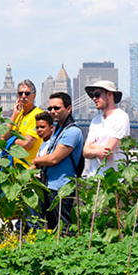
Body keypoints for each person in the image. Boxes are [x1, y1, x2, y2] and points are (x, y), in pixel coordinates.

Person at [33, 92, 84, 229]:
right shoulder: (58, 130)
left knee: (64, 228)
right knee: (51, 228)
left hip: (63, 189)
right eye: (50, 109)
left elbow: (54, 158)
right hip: (50, 186)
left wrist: (36, 161)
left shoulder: (72, 131)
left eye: (57, 108)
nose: (52, 112)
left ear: (68, 109)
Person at [83, 81, 130, 178]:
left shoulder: (121, 117)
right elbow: (85, 152)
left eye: (97, 95)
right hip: (93, 178)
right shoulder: (95, 120)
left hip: (113, 181)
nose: (94, 99)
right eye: (92, 96)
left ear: (109, 94)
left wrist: (93, 147)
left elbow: (106, 154)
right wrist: (97, 151)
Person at [1, 80, 44, 168]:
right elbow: (3, 138)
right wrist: (13, 116)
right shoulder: (18, 114)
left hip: (28, 170)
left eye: (27, 93)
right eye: (20, 93)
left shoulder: (38, 115)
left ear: (34, 95)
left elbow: (26, 144)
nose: (23, 96)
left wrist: (11, 139)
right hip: (13, 170)